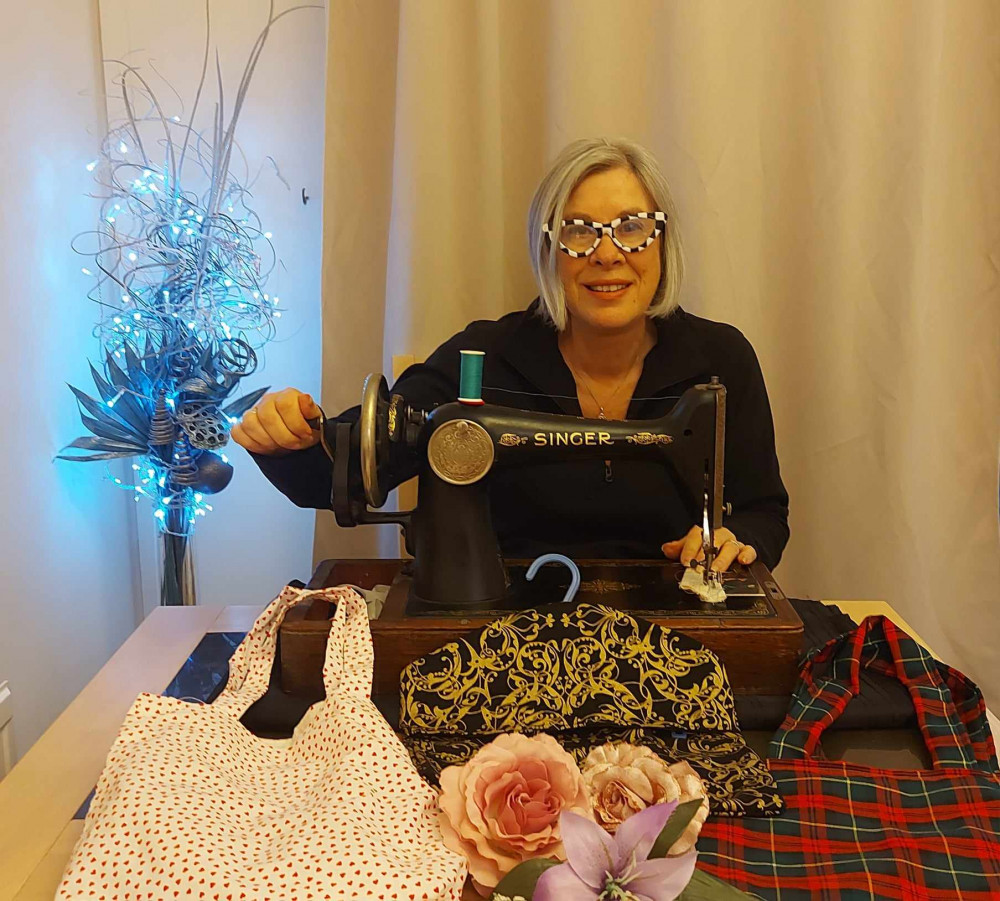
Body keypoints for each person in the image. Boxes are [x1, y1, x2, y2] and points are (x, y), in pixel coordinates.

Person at [233, 138, 789, 572]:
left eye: (631, 228)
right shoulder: (483, 358)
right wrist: (292, 442)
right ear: (546, 249)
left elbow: (764, 512)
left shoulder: (721, 358)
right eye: (577, 232)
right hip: (504, 636)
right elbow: (351, 471)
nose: (606, 254)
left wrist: (737, 545)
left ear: (663, 242)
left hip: (672, 633)